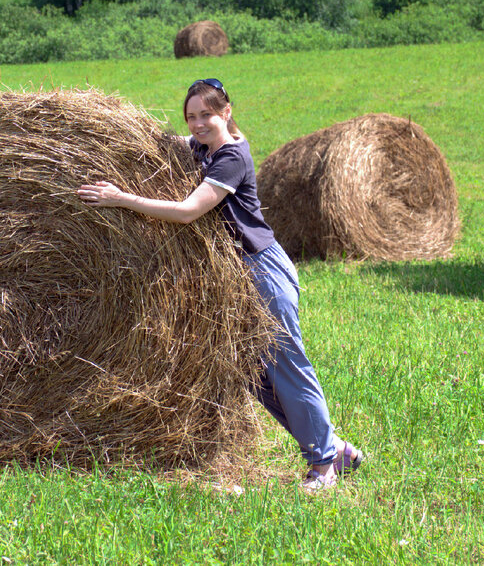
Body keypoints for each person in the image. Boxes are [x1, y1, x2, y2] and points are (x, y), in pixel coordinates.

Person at [77, 78, 362, 492]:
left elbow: (188, 211)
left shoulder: (230, 158)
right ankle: (333, 447)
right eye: (191, 117)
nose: (197, 124)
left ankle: (322, 467)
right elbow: (172, 141)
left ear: (226, 112)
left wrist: (121, 198)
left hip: (262, 271)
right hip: (237, 276)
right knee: (254, 375)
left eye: (206, 115)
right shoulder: (205, 147)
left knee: (287, 367)